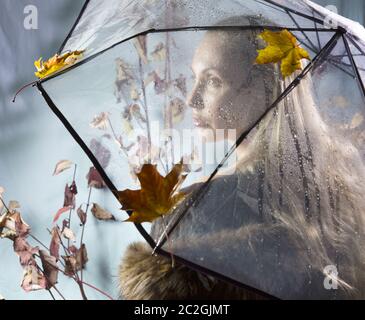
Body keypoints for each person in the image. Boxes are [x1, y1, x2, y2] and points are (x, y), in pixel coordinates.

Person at [118, 16, 365, 300]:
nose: (191, 99)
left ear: (264, 89)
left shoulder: (199, 210)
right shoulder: (344, 197)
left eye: (212, 80)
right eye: (195, 77)